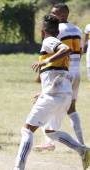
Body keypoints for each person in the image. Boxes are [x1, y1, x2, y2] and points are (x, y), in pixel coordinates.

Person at [13, 15, 90, 170]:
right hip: (63, 94)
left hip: (54, 95)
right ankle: (83, 150)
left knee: (27, 130)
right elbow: (57, 72)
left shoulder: (49, 41)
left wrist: (44, 61)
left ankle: (18, 168)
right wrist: (42, 92)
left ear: (43, 31)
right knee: (51, 131)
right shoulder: (54, 42)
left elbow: (65, 49)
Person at [34, 3, 84, 151]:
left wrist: (43, 68)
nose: (52, 15)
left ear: (63, 14)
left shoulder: (57, 30)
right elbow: (79, 52)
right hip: (76, 71)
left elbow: (53, 52)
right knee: (72, 109)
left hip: (62, 73)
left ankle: (49, 142)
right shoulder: (77, 29)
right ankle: (82, 143)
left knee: (47, 105)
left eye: (55, 13)